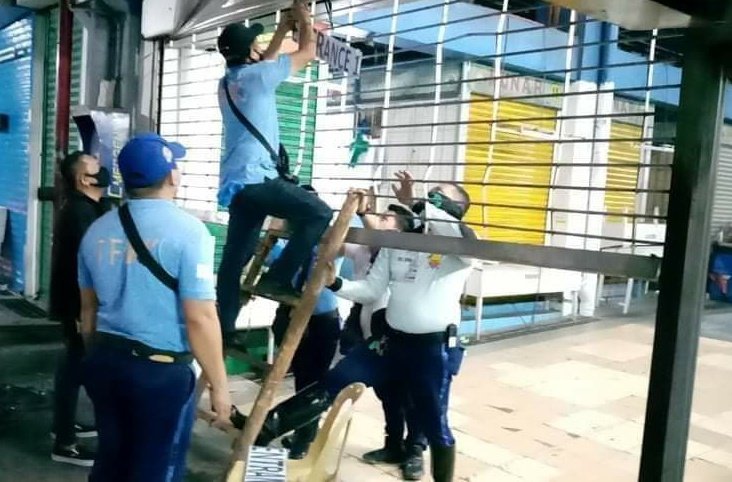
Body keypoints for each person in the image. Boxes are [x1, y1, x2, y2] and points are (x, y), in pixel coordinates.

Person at [233, 172, 475, 482]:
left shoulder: (462, 252)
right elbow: (372, 290)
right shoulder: (397, 244)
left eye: (437, 199)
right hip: (388, 342)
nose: (429, 202)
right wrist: (335, 282)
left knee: (433, 423)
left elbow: (458, 236)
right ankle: (265, 435)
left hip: (430, 350)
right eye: (430, 196)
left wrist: (417, 203)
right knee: (332, 384)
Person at [78, 134, 231, 482]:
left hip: (104, 362)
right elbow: (200, 317)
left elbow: (87, 312)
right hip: (158, 374)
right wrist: (221, 388)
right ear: (172, 176)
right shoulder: (191, 233)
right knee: (156, 467)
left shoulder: (96, 231)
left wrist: (96, 356)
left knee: (112, 460)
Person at [215, 0, 332, 345]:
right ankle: (278, 277)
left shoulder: (229, 83)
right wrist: (304, 17)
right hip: (259, 177)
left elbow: (264, 63)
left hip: (236, 185)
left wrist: (282, 29)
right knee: (318, 213)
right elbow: (309, 51)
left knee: (235, 258)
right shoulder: (258, 76)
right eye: (255, 44)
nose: (259, 48)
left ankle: (225, 328)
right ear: (249, 52)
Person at [48, 151, 111, 466]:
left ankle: (64, 427)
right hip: (77, 305)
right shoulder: (80, 212)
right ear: (83, 179)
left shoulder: (85, 208)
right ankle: (64, 443)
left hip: (74, 302)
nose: (103, 170)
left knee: (74, 367)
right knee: (75, 366)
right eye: (96, 167)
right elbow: (91, 264)